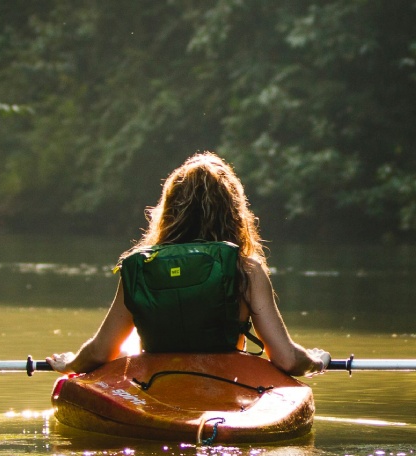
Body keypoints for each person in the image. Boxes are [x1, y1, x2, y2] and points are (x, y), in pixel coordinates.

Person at [47, 152, 328, 376]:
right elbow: (287, 360)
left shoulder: (141, 268)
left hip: (156, 385)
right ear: (234, 212)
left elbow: (100, 352)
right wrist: (315, 360)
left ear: (169, 210)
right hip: (226, 383)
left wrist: (71, 364)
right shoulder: (247, 271)